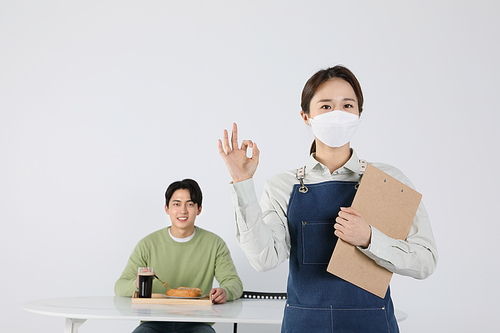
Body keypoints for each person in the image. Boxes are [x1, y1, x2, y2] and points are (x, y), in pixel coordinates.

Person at [218, 65, 437, 332]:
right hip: (304, 325)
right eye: (325, 106)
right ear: (305, 116)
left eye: (347, 105)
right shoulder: (282, 186)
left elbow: (425, 261)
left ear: (359, 114)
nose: (338, 114)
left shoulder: (387, 182)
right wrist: (243, 183)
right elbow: (264, 259)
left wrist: (369, 239)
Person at [115, 179, 243, 333]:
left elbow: (234, 282)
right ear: (167, 208)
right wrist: (136, 284)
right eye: (176, 204)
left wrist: (225, 292)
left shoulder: (215, 244)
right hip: (154, 322)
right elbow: (120, 286)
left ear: (199, 209)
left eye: (189, 204)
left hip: (197, 323)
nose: (183, 211)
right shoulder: (147, 244)